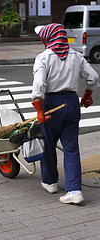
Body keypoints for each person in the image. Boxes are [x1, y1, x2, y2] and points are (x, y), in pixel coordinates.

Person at [32, 23, 99, 204]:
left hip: (51, 105)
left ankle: (50, 181)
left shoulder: (43, 57)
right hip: (71, 103)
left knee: (48, 143)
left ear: (48, 38)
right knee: (71, 148)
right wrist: (87, 94)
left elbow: (38, 86)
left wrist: (39, 111)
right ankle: (75, 190)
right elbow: (93, 77)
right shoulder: (76, 56)